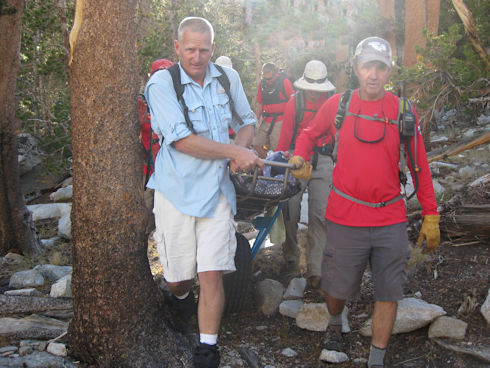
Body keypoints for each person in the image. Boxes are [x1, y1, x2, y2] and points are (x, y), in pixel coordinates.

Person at [289, 37, 440, 367]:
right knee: (335, 285)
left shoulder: (402, 111)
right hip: (345, 215)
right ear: (356, 68)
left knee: (389, 290)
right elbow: (309, 133)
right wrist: (301, 155)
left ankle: (377, 358)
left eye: (380, 67)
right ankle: (334, 324)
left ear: (389, 72)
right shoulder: (338, 105)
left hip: (390, 217)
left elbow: (419, 164)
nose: (373, 74)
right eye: (367, 66)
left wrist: (432, 214)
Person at [144, 17, 263, 368]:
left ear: (213, 48)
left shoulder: (228, 78)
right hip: (176, 190)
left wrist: (241, 148)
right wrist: (235, 153)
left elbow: (247, 120)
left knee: (211, 272)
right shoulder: (161, 84)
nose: (198, 57)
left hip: (217, 192)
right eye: (191, 49)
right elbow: (181, 140)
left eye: (205, 49)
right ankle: (180, 298)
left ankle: (207, 349)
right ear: (177, 47)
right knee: (179, 275)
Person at [275, 60, 336, 289]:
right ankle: (291, 258)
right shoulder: (295, 103)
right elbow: (285, 139)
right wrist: (281, 165)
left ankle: (316, 270)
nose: (313, 92)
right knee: (290, 210)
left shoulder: (332, 102)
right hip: (297, 161)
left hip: (323, 160)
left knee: (320, 215)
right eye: (310, 87)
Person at [252, 62, 294, 158]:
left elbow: (293, 102)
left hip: (281, 120)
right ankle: (268, 165)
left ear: (276, 74)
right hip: (266, 119)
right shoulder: (262, 85)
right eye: (265, 79)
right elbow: (260, 104)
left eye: (270, 79)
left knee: (278, 149)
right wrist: (255, 120)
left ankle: (277, 168)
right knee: (256, 145)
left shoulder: (284, 82)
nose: (267, 81)